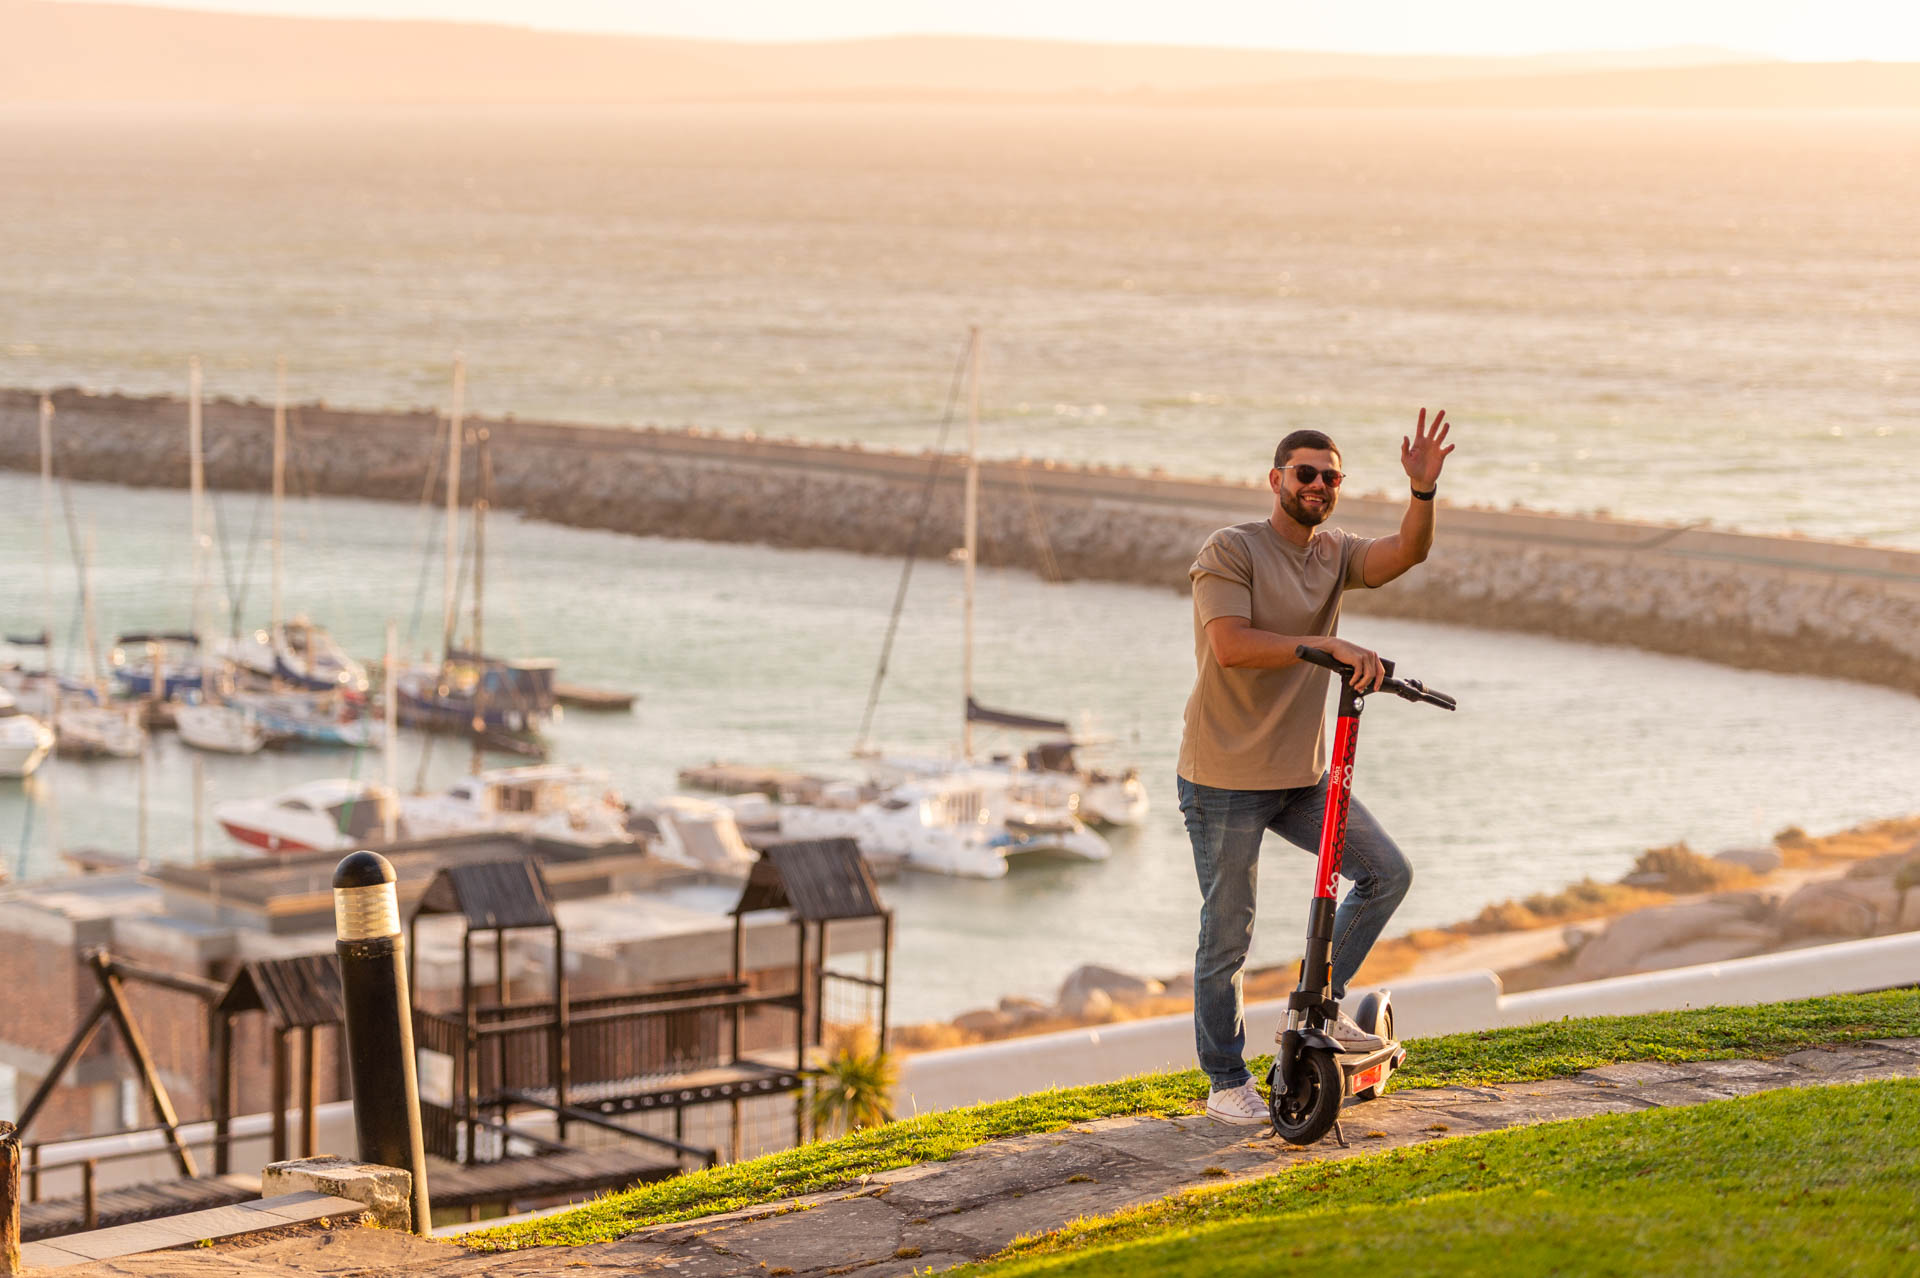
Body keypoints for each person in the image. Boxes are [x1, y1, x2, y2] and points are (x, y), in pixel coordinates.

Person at [1178, 409, 1455, 1124]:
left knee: (1386, 873)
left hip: (1300, 776)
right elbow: (1232, 646)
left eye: (1331, 477)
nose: (1319, 485)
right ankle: (1225, 1081)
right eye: (1306, 473)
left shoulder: (1334, 552)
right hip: (1224, 776)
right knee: (1227, 935)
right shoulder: (1231, 549)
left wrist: (1422, 491)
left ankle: (1316, 1011)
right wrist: (1327, 647)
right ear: (1276, 479)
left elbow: (1406, 552)